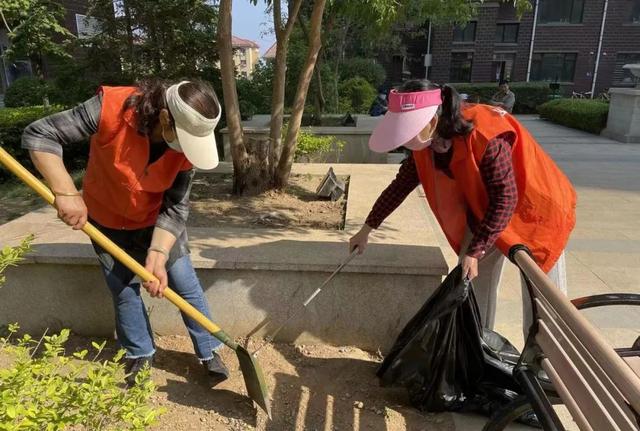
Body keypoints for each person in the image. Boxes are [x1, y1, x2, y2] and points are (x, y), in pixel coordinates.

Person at [22, 79, 230, 387]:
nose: (189, 149)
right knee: (122, 289)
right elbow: (40, 134)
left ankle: (210, 349)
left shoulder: (186, 151)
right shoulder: (112, 108)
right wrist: (66, 192)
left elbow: (175, 207)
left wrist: (157, 255)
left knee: (185, 283)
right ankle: (139, 353)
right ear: (164, 118)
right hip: (105, 220)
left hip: (156, 223)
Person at [349, 80, 576, 336]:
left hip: (536, 210)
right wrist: (366, 229)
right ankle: (478, 347)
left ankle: (543, 367)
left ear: (432, 120)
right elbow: (399, 187)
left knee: (542, 299)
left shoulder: (484, 133)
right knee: (470, 283)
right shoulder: (425, 144)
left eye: (408, 130)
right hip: (486, 212)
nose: (405, 139)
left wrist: (475, 250)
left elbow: (506, 197)